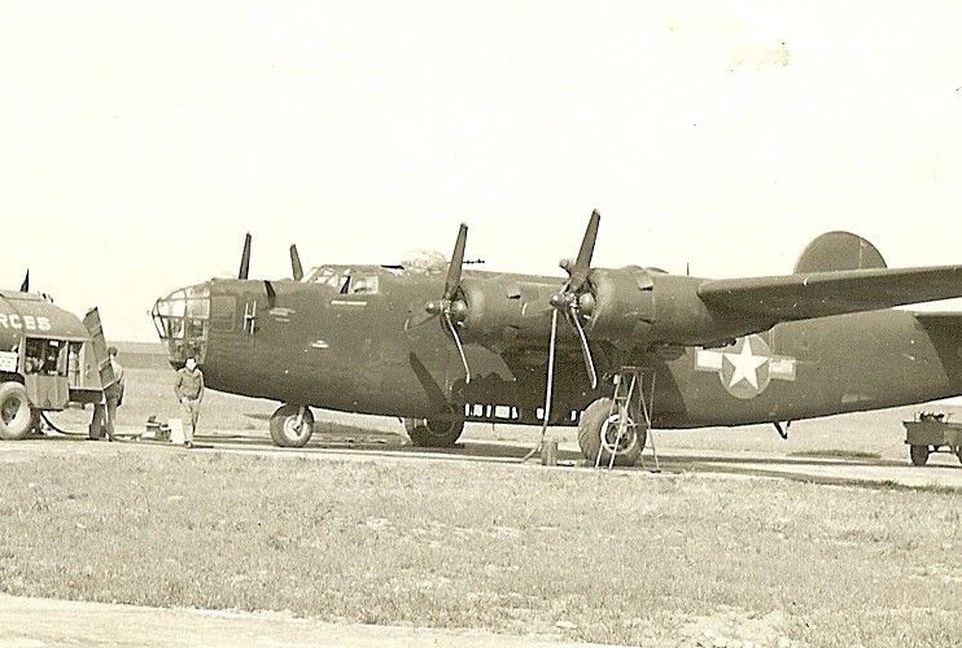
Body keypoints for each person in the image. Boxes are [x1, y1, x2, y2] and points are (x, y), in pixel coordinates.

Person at [174, 355, 204, 447]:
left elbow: (202, 388)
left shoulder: (198, 374)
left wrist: (199, 399)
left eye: (192, 363)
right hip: (186, 399)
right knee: (187, 421)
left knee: (194, 420)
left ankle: (189, 438)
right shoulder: (181, 373)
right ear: (186, 364)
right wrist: (181, 398)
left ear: (195, 364)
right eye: (189, 363)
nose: (191, 365)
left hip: (195, 400)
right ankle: (189, 440)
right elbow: (176, 387)